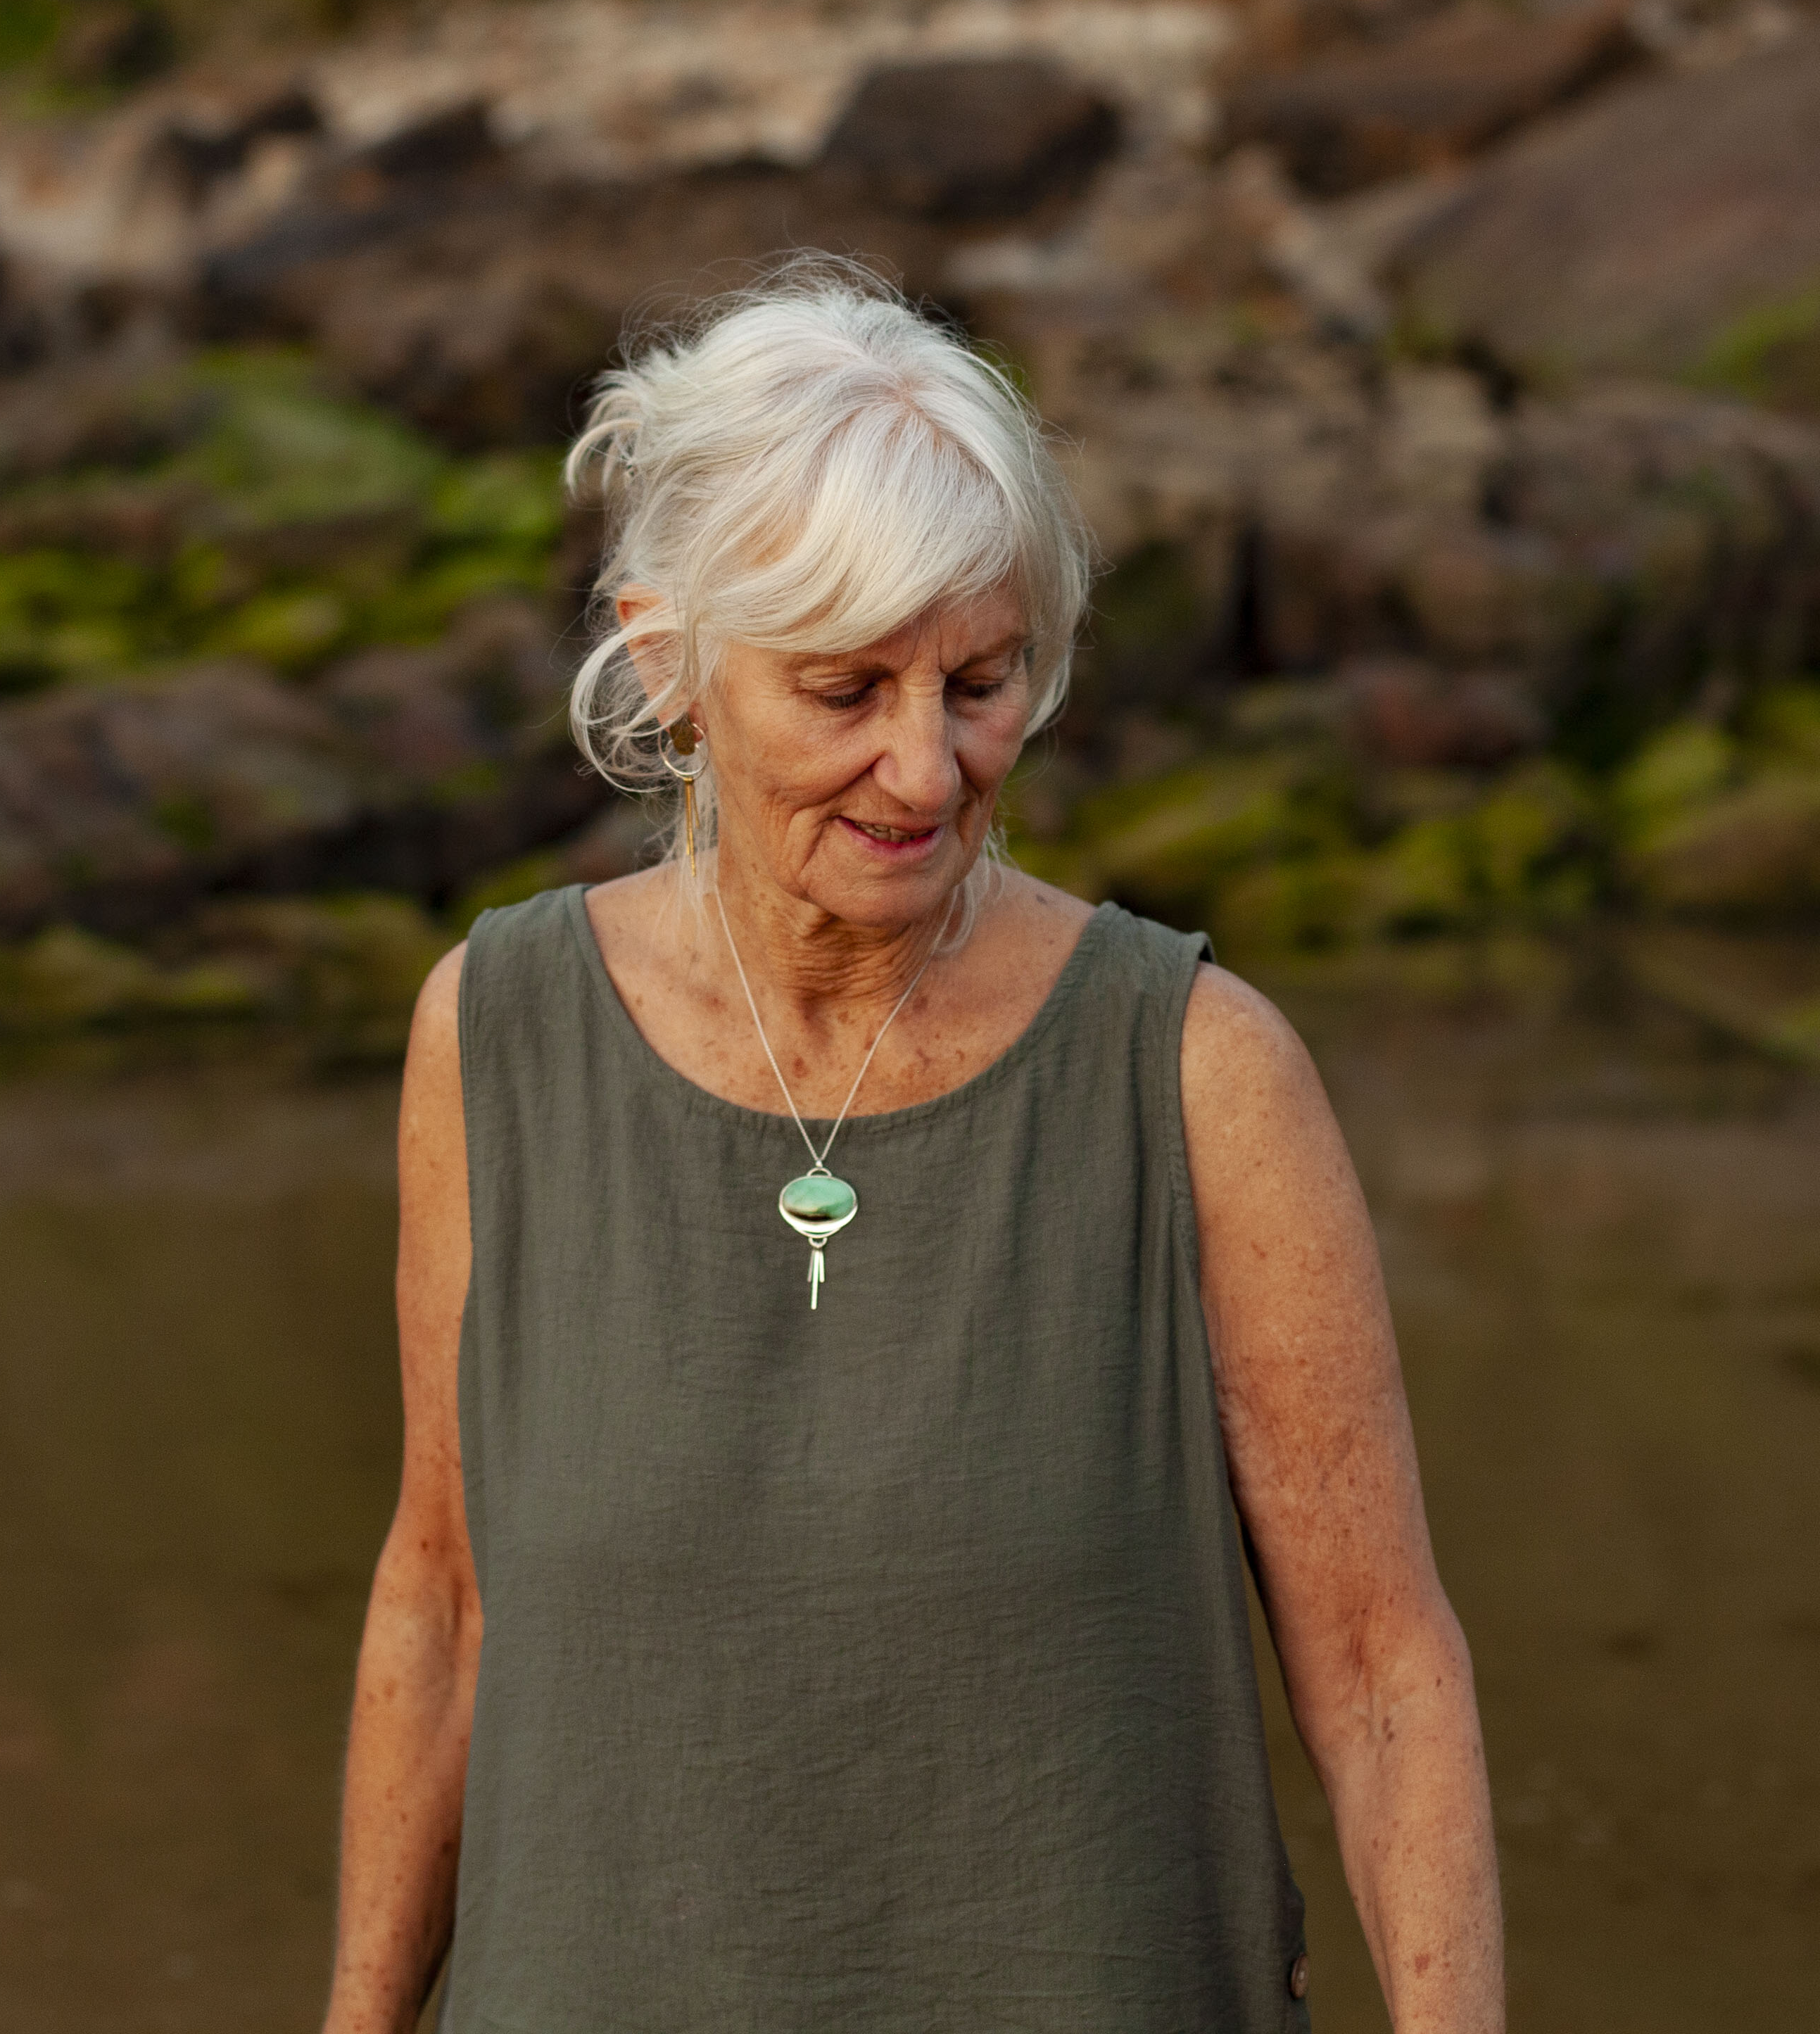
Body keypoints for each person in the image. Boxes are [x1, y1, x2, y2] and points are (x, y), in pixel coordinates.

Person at [322, 263, 1502, 2033]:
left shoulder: (1194, 1071)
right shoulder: (493, 1041)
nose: (926, 769)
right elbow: (444, 1601)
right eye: (845, 688)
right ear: (671, 666)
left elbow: (1385, 1671)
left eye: (979, 680)